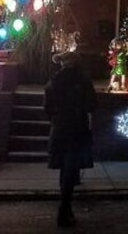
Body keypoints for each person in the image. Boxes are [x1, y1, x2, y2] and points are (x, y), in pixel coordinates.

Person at [44, 50, 96, 228]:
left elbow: (47, 107)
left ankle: (65, 209)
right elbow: (92, 104)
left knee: (64, 168)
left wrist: (55, 119)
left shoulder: (54, 81)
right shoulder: (82, 81)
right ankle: (64, 208)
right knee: (71, 167)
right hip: (77, 127)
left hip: (59, 127)